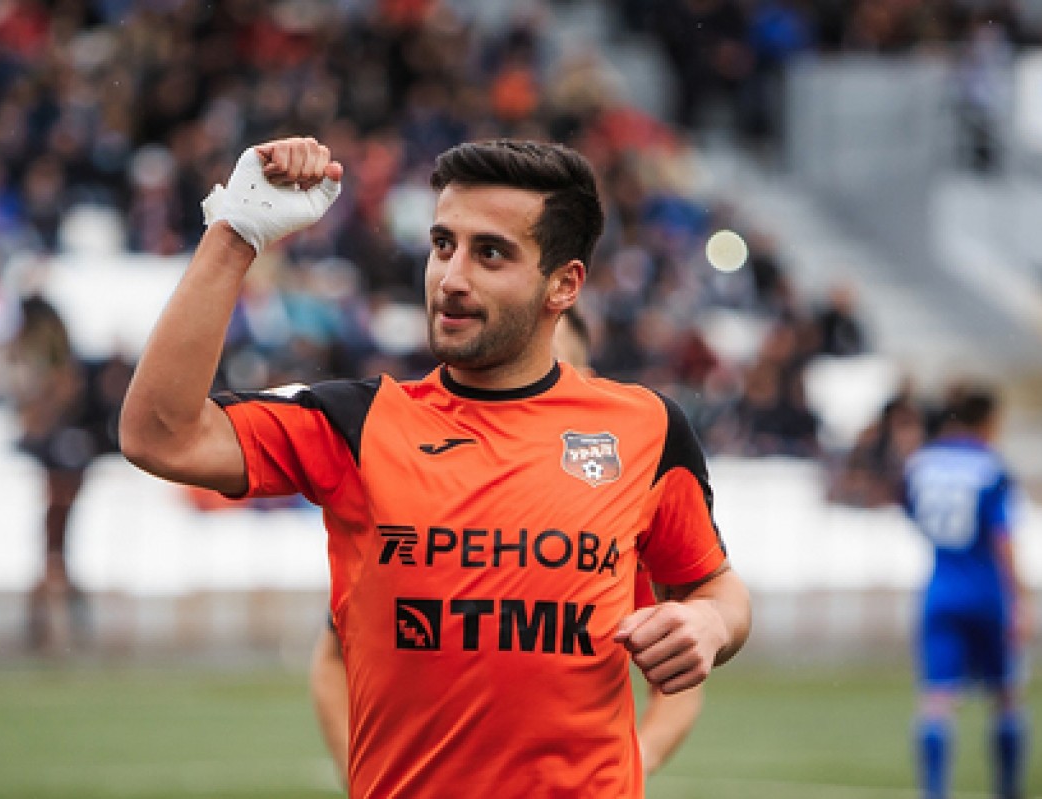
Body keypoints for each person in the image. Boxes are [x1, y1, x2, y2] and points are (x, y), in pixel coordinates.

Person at [120, 136, 751, 798]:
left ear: (564, 284)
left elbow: (716, 588)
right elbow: (160, 436)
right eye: (444, 244)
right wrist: (236, 235)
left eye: (491, 253)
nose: (451, 277)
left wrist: (711, 624)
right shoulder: (356, 425)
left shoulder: (647, 428)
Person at [310, 305, 705, 788]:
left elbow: (679, 670)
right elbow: (332, 657)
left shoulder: (614, 521)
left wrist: (632, 760)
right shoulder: (424, 497)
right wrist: (362, 776)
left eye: (548, 366)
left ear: (586, 379)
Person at [902, 384, 1031, 799]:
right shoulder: (990, 467)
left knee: (937, 700)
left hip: (940, 590)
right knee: (1006, 695)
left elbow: (913, 513)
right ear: (988, 421)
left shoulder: (921, 463)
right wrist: (1020, 600)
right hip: (987, 591)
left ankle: (934, 792)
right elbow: (1002, 538)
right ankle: (1008, 790)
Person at [10, 294, 95, 651]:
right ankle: (50, 629)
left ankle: (52, 630)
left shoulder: (51, 365)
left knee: (55, 553)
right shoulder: (48, 360)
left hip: (58, 460)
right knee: (54, 554)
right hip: (53, 459)